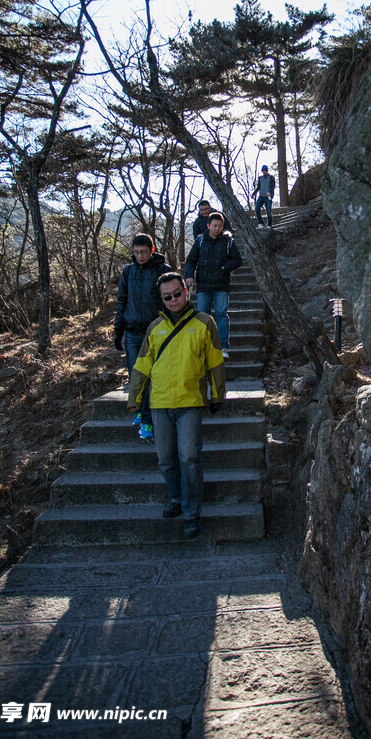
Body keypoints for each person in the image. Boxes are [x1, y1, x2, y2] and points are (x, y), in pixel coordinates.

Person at [127, 273, 225, 538]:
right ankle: (176, 499)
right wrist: (134, 398)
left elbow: (215, 362)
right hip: (159, 403)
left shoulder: (205, 323)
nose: (173, 300)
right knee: (166, 459)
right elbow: (143, 365)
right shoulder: (155, 328)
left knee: (189, 456)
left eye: (177, 294)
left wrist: (217, 396)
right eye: (167, 297)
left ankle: (192, 512)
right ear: (161, 299)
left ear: (186, 290)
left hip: (190, 401)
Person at [114, 234, 172, 440]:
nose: (139, 256)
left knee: (152, 378)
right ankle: (141, 411)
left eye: (144, 252)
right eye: (136, 252)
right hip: (131, 332)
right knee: (136, 376)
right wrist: (117, 331)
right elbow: (121, 301)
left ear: (152, 250)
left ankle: (147, 421)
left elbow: (171, 302)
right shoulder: (128, 272)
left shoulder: (163, 271)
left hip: (155, 333)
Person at [183, 211, 242, 360]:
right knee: (202, 314)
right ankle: (203, 345)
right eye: (214, 226)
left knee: (221, 314)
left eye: (220, 226)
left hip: (221, 284)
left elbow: (237, 260)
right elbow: (191, 260)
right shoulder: (200, 240)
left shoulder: (228, 241)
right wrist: (189, 276)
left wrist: (224, 268)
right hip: (203, 284)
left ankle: (223, 346)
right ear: (208, 225)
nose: (217, 229)